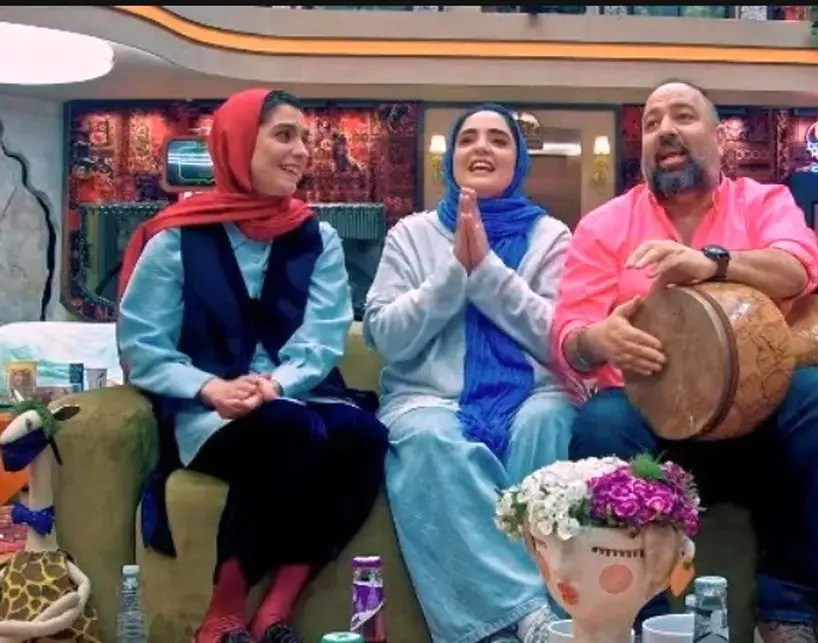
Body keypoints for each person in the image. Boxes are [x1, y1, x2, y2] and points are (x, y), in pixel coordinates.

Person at [551, 81, 818, 643]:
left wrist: (712, 263)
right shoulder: (605, 225)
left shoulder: (763, 202)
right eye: (652, 123)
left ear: (718, 138)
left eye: (683, 117)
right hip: (656, 438)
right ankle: (638, 621)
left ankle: (787, 614)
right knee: (600, 421)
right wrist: (599, 338)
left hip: (757, 431)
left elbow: (797, 268)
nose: (665, 130)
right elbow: (569, 337)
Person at [117, 89, 388, 643]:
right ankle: (224, 610)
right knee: (291, 429)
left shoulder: (318, 238)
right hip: (208, 412)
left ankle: (276, 609)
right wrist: (211, 388)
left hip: (296, 394)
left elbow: (322, 337)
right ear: (238, 143)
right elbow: (143, 344)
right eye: (284, 135)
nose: (301, 151)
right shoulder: (177, 239)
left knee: (363, 435)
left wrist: (274, 384)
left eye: (305, 139)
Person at [363, 104, 573, 643]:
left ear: (518, 160)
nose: (482, 147)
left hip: (532, 393)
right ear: (450, 159)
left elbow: (557, 338)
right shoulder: (411, 235)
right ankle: (533, 618)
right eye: (468, 138)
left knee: (550, 421)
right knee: (431, 438)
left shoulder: (551, 237)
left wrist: (487, 271)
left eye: (499, 140)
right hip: (426, 397)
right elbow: (387, 336)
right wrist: (455, 271)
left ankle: (510, 622)